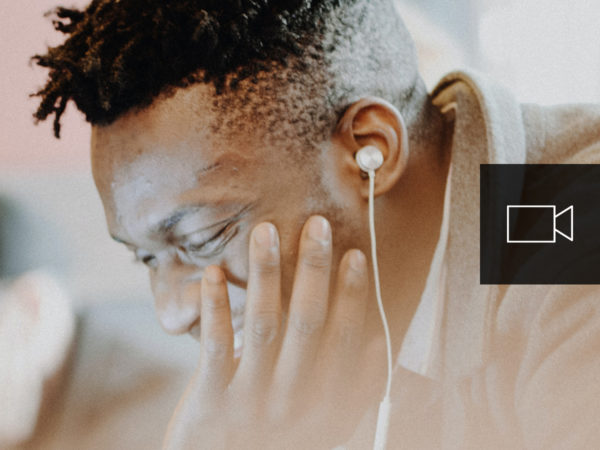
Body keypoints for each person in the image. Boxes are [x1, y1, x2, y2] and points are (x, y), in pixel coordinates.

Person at [30, 0, 600, 449]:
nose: (172, 313)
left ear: (369, 151)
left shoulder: (574, 234)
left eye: (205, 238)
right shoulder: (329, 343)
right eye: (147, 258)